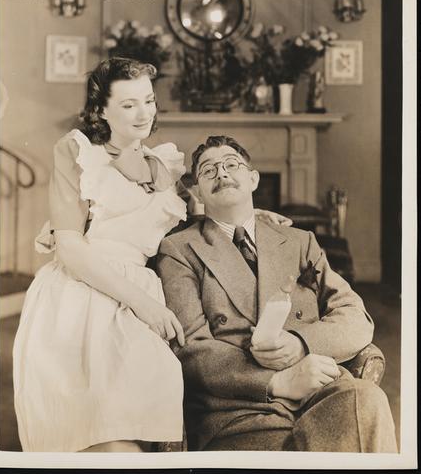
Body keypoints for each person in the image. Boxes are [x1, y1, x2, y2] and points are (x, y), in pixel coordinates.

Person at [12, 59, 289, 453]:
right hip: (82, 294)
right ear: (101, 109)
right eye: (128, 105)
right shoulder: (78, 151)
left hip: (142, 291)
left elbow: (198, 216)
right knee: (100, 433)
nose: (143, 113)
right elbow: (70, 248)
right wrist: (144, 305)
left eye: (148, 100)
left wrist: (253, 214)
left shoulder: (163, 165)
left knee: (150, 408)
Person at [156, 135, 398, 453]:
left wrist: (301, 344)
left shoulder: (299, 241)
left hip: (318, 393)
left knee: (367, 400)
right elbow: (191, 348)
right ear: (198, 192)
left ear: (253, 179)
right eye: (208, 170)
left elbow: (355, 316)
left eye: (231, 164)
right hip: (240, 410)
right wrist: (277, 381)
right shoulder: (180, 249)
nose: (221, 173)